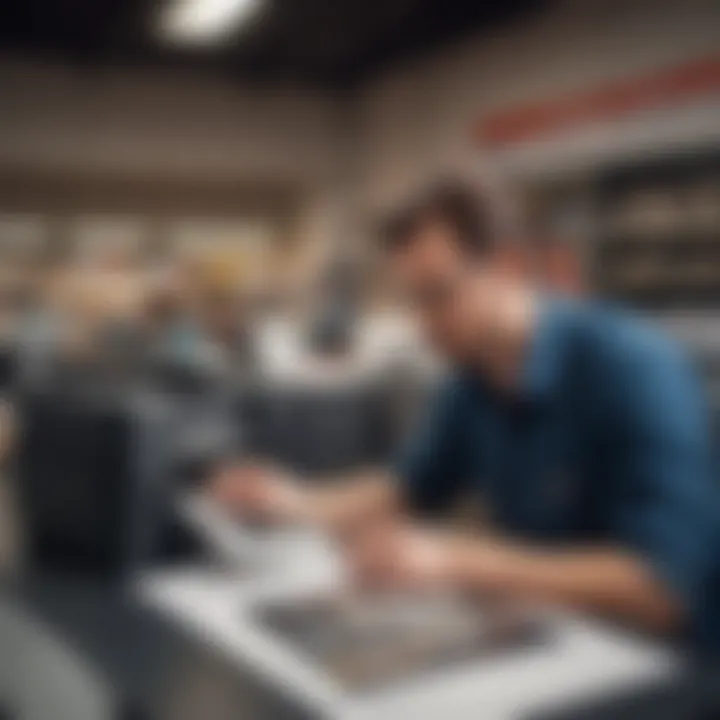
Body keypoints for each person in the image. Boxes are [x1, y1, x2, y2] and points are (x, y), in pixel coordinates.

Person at [209, 179, 718, 646]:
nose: (424, 326)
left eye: (438, 296)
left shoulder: (631, 368)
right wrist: (293, 500)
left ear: (508, 268)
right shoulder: (473, 379)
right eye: (413, 301)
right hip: (562, 639)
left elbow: (662, 588)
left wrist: (457, 561)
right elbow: (403, 489)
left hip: (665, 670)